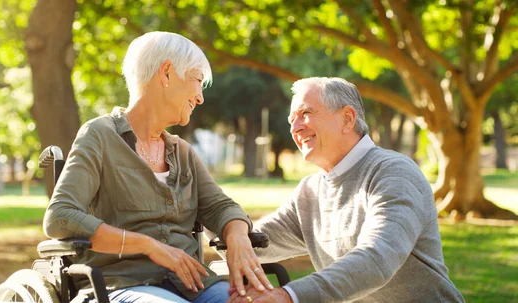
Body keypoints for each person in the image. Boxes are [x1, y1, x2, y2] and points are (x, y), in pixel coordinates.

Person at [43, 31, 272, 303]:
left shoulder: (182, 152)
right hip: (122, 284)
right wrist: (148, 246)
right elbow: (60, 216)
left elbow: (221, 207)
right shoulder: (100, 135)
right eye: (197, 81)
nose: (200, 97)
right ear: (166, 74)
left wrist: (237, 238)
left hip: (193, 284)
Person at [228, 77, 464, 303]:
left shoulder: (393, 172)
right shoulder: (310, 191)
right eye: (292, 120)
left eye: (305, 114)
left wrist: (290, 296)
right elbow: (251, 245)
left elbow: (378, 259)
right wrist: (211, 210)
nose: (295, 128)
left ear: (347, 119)